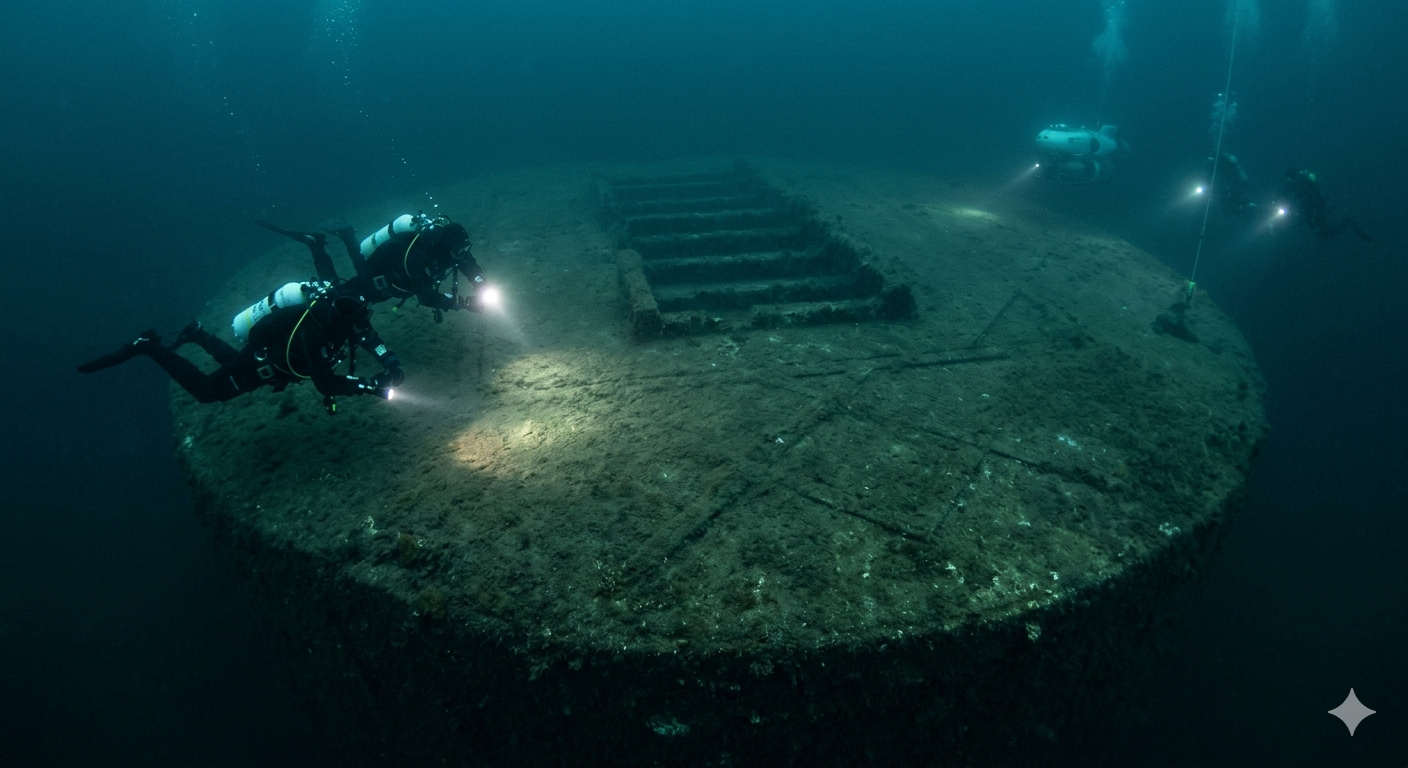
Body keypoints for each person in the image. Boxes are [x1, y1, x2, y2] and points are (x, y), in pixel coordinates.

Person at [77, 282, 403, 412]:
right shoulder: (316, 335)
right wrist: (369, 385)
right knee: (208, 390)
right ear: (343, 320)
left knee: (237, 363)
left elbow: (368, 338)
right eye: (360, 322)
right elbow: (325, 382)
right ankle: (150, 348)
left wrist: (389, 362)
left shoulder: (343, 319)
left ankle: (198, 334)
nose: (363, 327)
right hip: (267, 362)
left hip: (277, 357)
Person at [258, 212, 486, 322]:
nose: (461, 255)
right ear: (446, 246)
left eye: (462, 250)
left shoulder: (449, 248)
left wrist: (480, 284)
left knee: (356, 272)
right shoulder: (418, 257)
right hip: (380, 277)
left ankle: (346, 236)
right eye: (458, 251)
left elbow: (468, 263)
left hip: (393, 272)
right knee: (336, 295)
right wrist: (464, 303)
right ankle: (316, 245)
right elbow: (426, 297)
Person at [1279, 168, 1373, 243]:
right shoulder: (1299, 185)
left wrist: (1315, 213)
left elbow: (1313, 199)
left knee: (1326, 234)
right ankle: (1348, 223)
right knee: (1324, 233)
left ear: (1293, 177)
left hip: (1316, 210)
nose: (1288, 181)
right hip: (1314, 210)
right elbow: (1289, 193)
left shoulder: (1304, 183)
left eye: (1289, 179)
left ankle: (1348, 222)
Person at [1207, 151, 1257, 217]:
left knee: (1235, 194)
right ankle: (1244, 205)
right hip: (1233, 182)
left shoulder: (1229, 161)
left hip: (1236, 182)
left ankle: (1245, 204)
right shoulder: (1226, 162)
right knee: (1233, 195)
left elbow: (1232, 170)